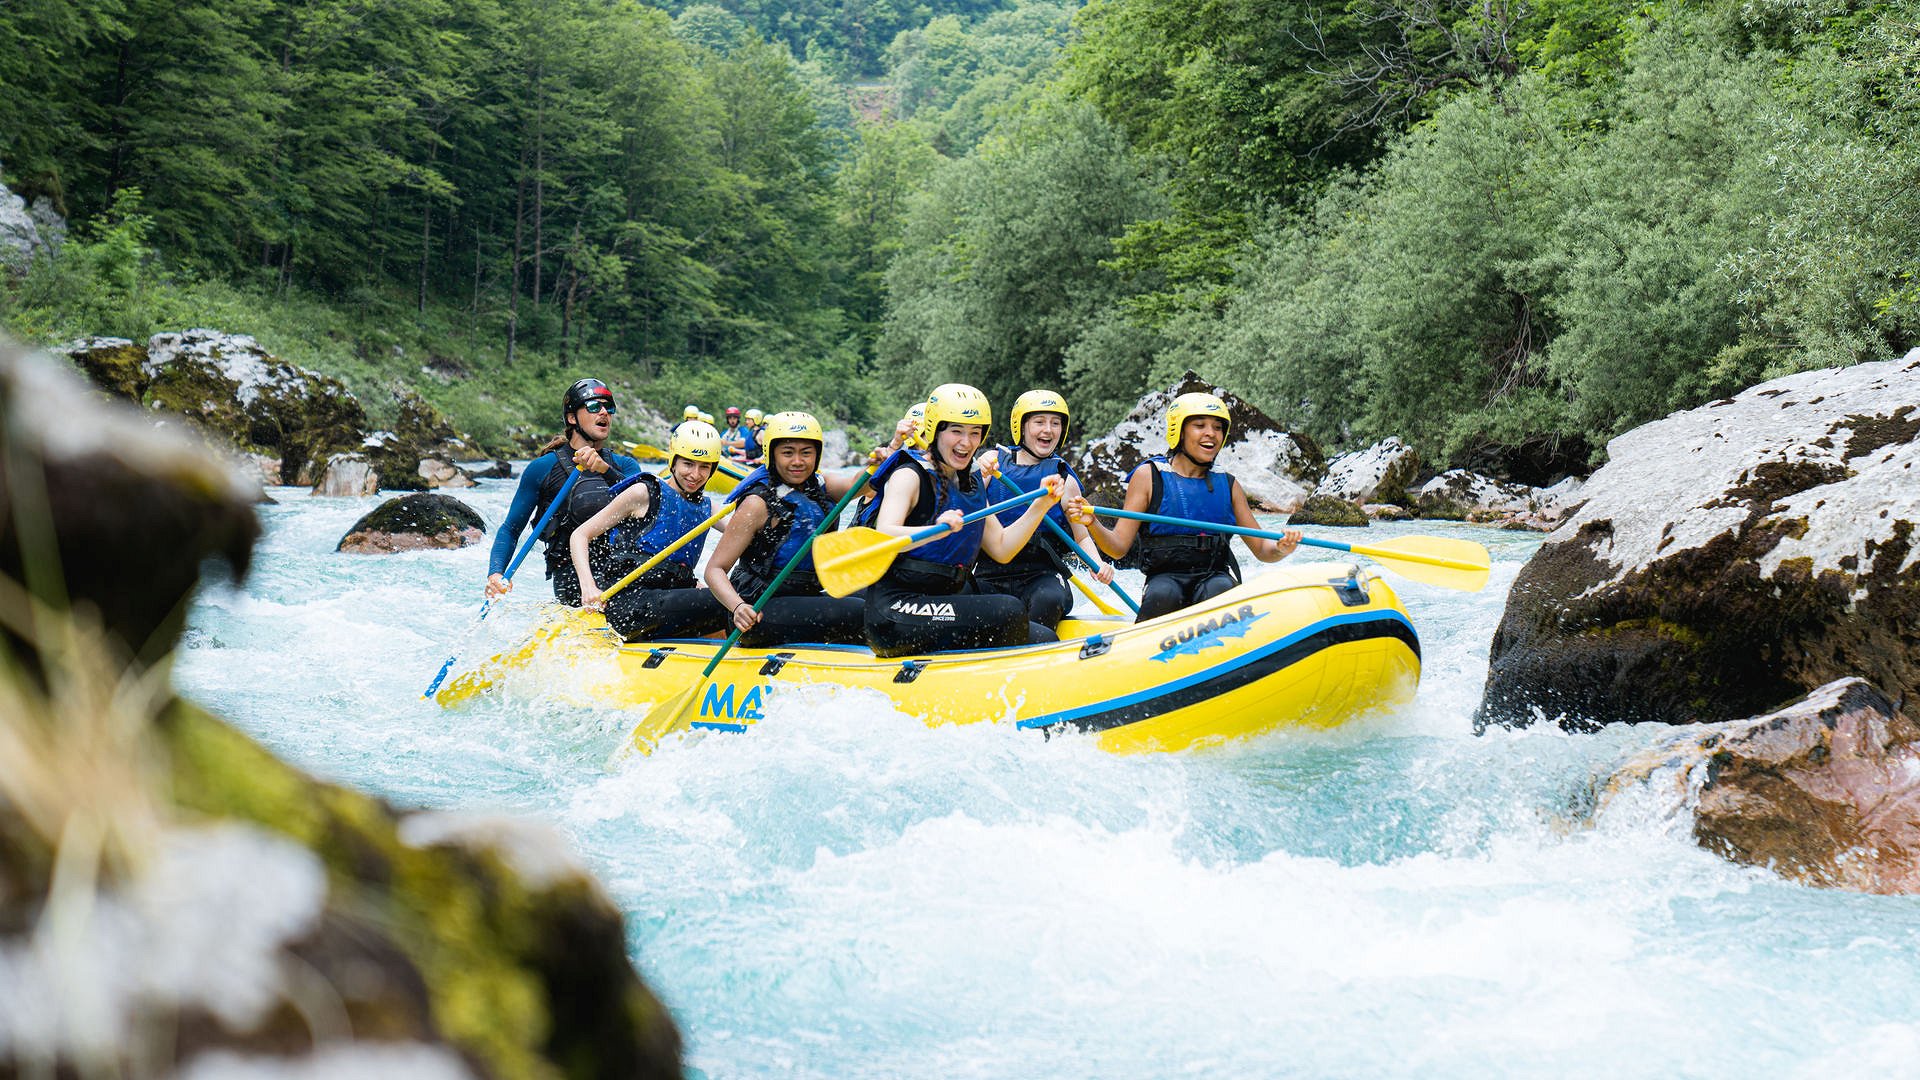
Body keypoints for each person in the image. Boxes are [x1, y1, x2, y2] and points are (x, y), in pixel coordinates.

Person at [861, 384, 1065, 657]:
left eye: (975, 433)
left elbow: (1003, 548)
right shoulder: (909, 475)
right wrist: (934, 531)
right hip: (896, 609)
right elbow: (884, 536)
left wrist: (1040, 506)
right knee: (1008, 610)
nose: (966, 443)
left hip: (945, 600)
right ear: (935, 431)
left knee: (1046, 638)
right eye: (956, 431)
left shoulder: (971, 483)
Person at [1065, 392, 1302, 622]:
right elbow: (1118, 548)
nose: (1211, 434)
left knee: (1221, 590)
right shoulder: (1149, 476)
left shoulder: (1228, 485)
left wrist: (1282, 548)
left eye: (1218, 427)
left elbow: (1262, 548)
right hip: (1164, 579)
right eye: (1200, 425)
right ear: (1178, 431)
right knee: (1164, 595)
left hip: (1214, 575)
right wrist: (1093, 523)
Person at [703, 411, 868, 646]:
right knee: (857, 611)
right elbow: (714, 569)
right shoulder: (757, 504)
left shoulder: (820, 486)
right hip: (758, 610)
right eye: (788, 453)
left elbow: (860, 484)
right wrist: (738, 607)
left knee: (873, 598)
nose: (798, 461)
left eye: (806, 453)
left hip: (804, 596)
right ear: (772, 454)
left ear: (817, 455)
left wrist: (891, 451)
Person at [569, 421, 731, 641]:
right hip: (629, 603)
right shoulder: (644, 493)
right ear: (673, 461)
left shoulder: (709, 508)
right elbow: (580, 535)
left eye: (704, 467)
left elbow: (743, 533)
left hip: (669, 601)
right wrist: (589, 588)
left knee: (737, 600)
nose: (695, 474)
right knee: (723, 603)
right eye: (688, 464)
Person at [486, 378, 641, 606]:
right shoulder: (542, 468)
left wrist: (605, 471)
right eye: (593, 406)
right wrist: (496, 573)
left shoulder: (626, 466)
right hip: (573, 578)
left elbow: (647, 503)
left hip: (625, 568)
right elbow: (511, 529)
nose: (604, 413)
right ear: (572, 418)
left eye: (609, 407)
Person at [972, 390, 1114, 632]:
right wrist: (975, 470)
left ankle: (1035, 648)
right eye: (1039, 422)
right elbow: (959, 495)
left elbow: (1080, 537)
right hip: (990, 573)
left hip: (1041, 575)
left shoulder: (1064, 479)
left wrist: (1097, 564)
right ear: (1022, 427)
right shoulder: (992, 463)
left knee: (1048, 599)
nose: (1048, 429)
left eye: (1055, 423)